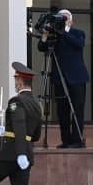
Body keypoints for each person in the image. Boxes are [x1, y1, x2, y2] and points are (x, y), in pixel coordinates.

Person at [38, 8, 88, 148]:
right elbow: (41, 47)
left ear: (71, 21)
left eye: (65, 18)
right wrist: (45, 34)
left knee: (77, 109)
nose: (63, 20)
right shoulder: (54, 36)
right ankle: (66, 140)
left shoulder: (78, 33)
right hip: (60, 78)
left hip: (77, 78)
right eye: (60, 18)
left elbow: (79, 44)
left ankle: (77, 140)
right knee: (62, 111)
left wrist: (63, 32)